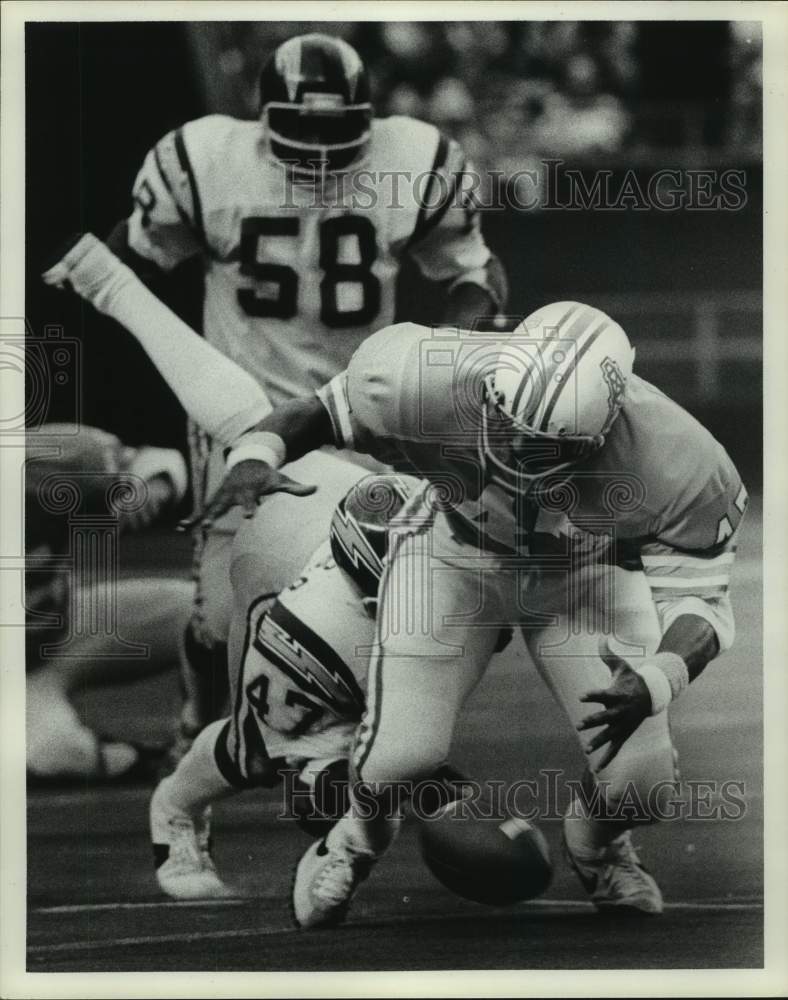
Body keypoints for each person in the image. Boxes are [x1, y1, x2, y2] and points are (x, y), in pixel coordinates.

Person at [44, 245, 745, 923]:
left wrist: (656, 679)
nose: (515, 449)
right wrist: (259, 451)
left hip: (585, 576)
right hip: (457, 559)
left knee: (642, 780)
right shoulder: (434, 375)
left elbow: (702, 604)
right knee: (387, 762)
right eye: (505, 423)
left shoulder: (681, 461)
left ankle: (600, 844)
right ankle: (343, 839)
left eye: (546, 446)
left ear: (606, 429)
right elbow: (315, 410)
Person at [99, 31, 507, 747]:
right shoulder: (209, 161)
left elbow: (474, 275)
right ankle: (200, 714)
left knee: (379, 587)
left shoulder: (413, 159)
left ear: (368, 119)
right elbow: (137, 248)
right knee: (222, 617)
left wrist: (451, 350)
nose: (319, 154)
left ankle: (365, 747)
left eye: (335, 132)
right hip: (241, 413)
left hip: (358, 412)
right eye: (302, 131)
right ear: (263, 119)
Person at [150, 472, 486, 900]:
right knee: (264, 757)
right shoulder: (316, 620)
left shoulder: (456, 552)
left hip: (340, 513)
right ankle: (175, 806)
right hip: (274, 561)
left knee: (399, 760)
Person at [25, 423, 192, 782]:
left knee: (208, 614)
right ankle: (133, 757)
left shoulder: (43, 458)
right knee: (58, 753)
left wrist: (145, 487)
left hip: (65, 628)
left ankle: (222, 728)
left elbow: (162, 461)